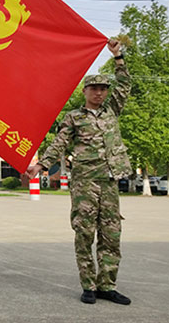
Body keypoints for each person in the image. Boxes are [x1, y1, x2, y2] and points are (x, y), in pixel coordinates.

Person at [27, 39, 132, 306]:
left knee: (111, 235)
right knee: (85, 233)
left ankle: (107, 285)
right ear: (85, 91)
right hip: (85, 182)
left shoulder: (111, 111)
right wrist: (41, 165)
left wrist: (118, 56)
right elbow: (60, 142)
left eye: (103, 89)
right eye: (95, 89)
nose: (99, 93)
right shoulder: (74, 117)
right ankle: (88, 285)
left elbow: (125, 86)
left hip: (109, 180)